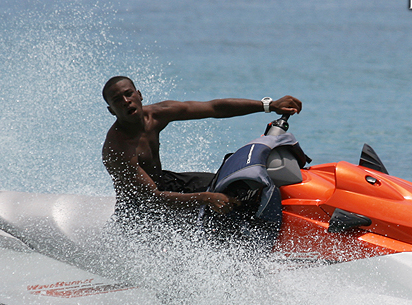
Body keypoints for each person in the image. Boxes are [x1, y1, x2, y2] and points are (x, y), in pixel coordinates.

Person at [101, 75, 302, 221]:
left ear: (139, 95)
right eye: (118, 100)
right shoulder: (117, 149)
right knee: (216, 201)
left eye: (128, 94)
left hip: (164, 183)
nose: (126, 101)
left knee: (236, 187)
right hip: (140, 210)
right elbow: (151, 199)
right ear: (111, 110)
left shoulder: (157, 115)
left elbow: (214, 108)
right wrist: (205, 198)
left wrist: (268, 105)